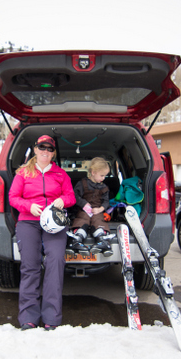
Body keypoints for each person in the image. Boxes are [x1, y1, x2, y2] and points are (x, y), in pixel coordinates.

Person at [8, 134, 76, 330]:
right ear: (35, 149)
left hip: (54, 224)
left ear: (53, 153)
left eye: (49, 149)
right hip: (29, 222)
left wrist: (63, 200)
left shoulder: (61, 174)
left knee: (55, 262)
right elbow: (13, 197)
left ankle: (51, 318)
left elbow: (70, 196)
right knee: (30, 266)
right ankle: (28, 316)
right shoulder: (23, 173)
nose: (45, 152)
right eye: (42, 148)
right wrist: (29, 206)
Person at [67, 157, 114, 256]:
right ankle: (77, 238)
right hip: (83, 210)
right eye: (102, 175)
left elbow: (106, 201)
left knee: (98, 220)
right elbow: (74, 195)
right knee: (82, 219)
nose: (103, 178)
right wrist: (83, 203)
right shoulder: (82, 183)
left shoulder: (104, 187)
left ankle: (102, 240)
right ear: (93, 172)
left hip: (97, 211)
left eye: (105, 176)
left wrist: (100, 209)